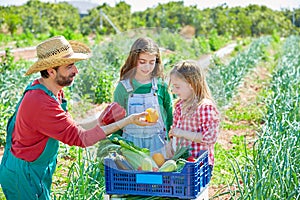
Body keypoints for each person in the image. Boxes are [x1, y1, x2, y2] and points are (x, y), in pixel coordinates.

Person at [0, 35, 154, 200]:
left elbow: (73, 127)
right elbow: (81, 139)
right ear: (51, 71)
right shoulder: (41, 102)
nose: (76, 71)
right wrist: (128, 120)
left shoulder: (53, 91)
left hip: (35, 168)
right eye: (69, 66)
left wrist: (100, 121)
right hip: (24, 174)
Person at [113, 37, 173, 156]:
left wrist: (172, 143)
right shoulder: (123, 88)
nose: (147, 67)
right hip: (130, 146)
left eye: (152, 62)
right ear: (134, 60)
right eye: (142, 62)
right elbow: (117, 122)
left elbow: (170, 117)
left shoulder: (161, 86)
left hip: (159, 145)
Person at [168, 60, 220, 180]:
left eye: (177, 87)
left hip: (199, 163)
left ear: (191, 85)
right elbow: (175, 131)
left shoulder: (204, 107)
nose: (174, 91)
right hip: (182, 162)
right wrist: (170, 144)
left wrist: (181, 133)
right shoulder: (180, 105)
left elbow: (210, 137)